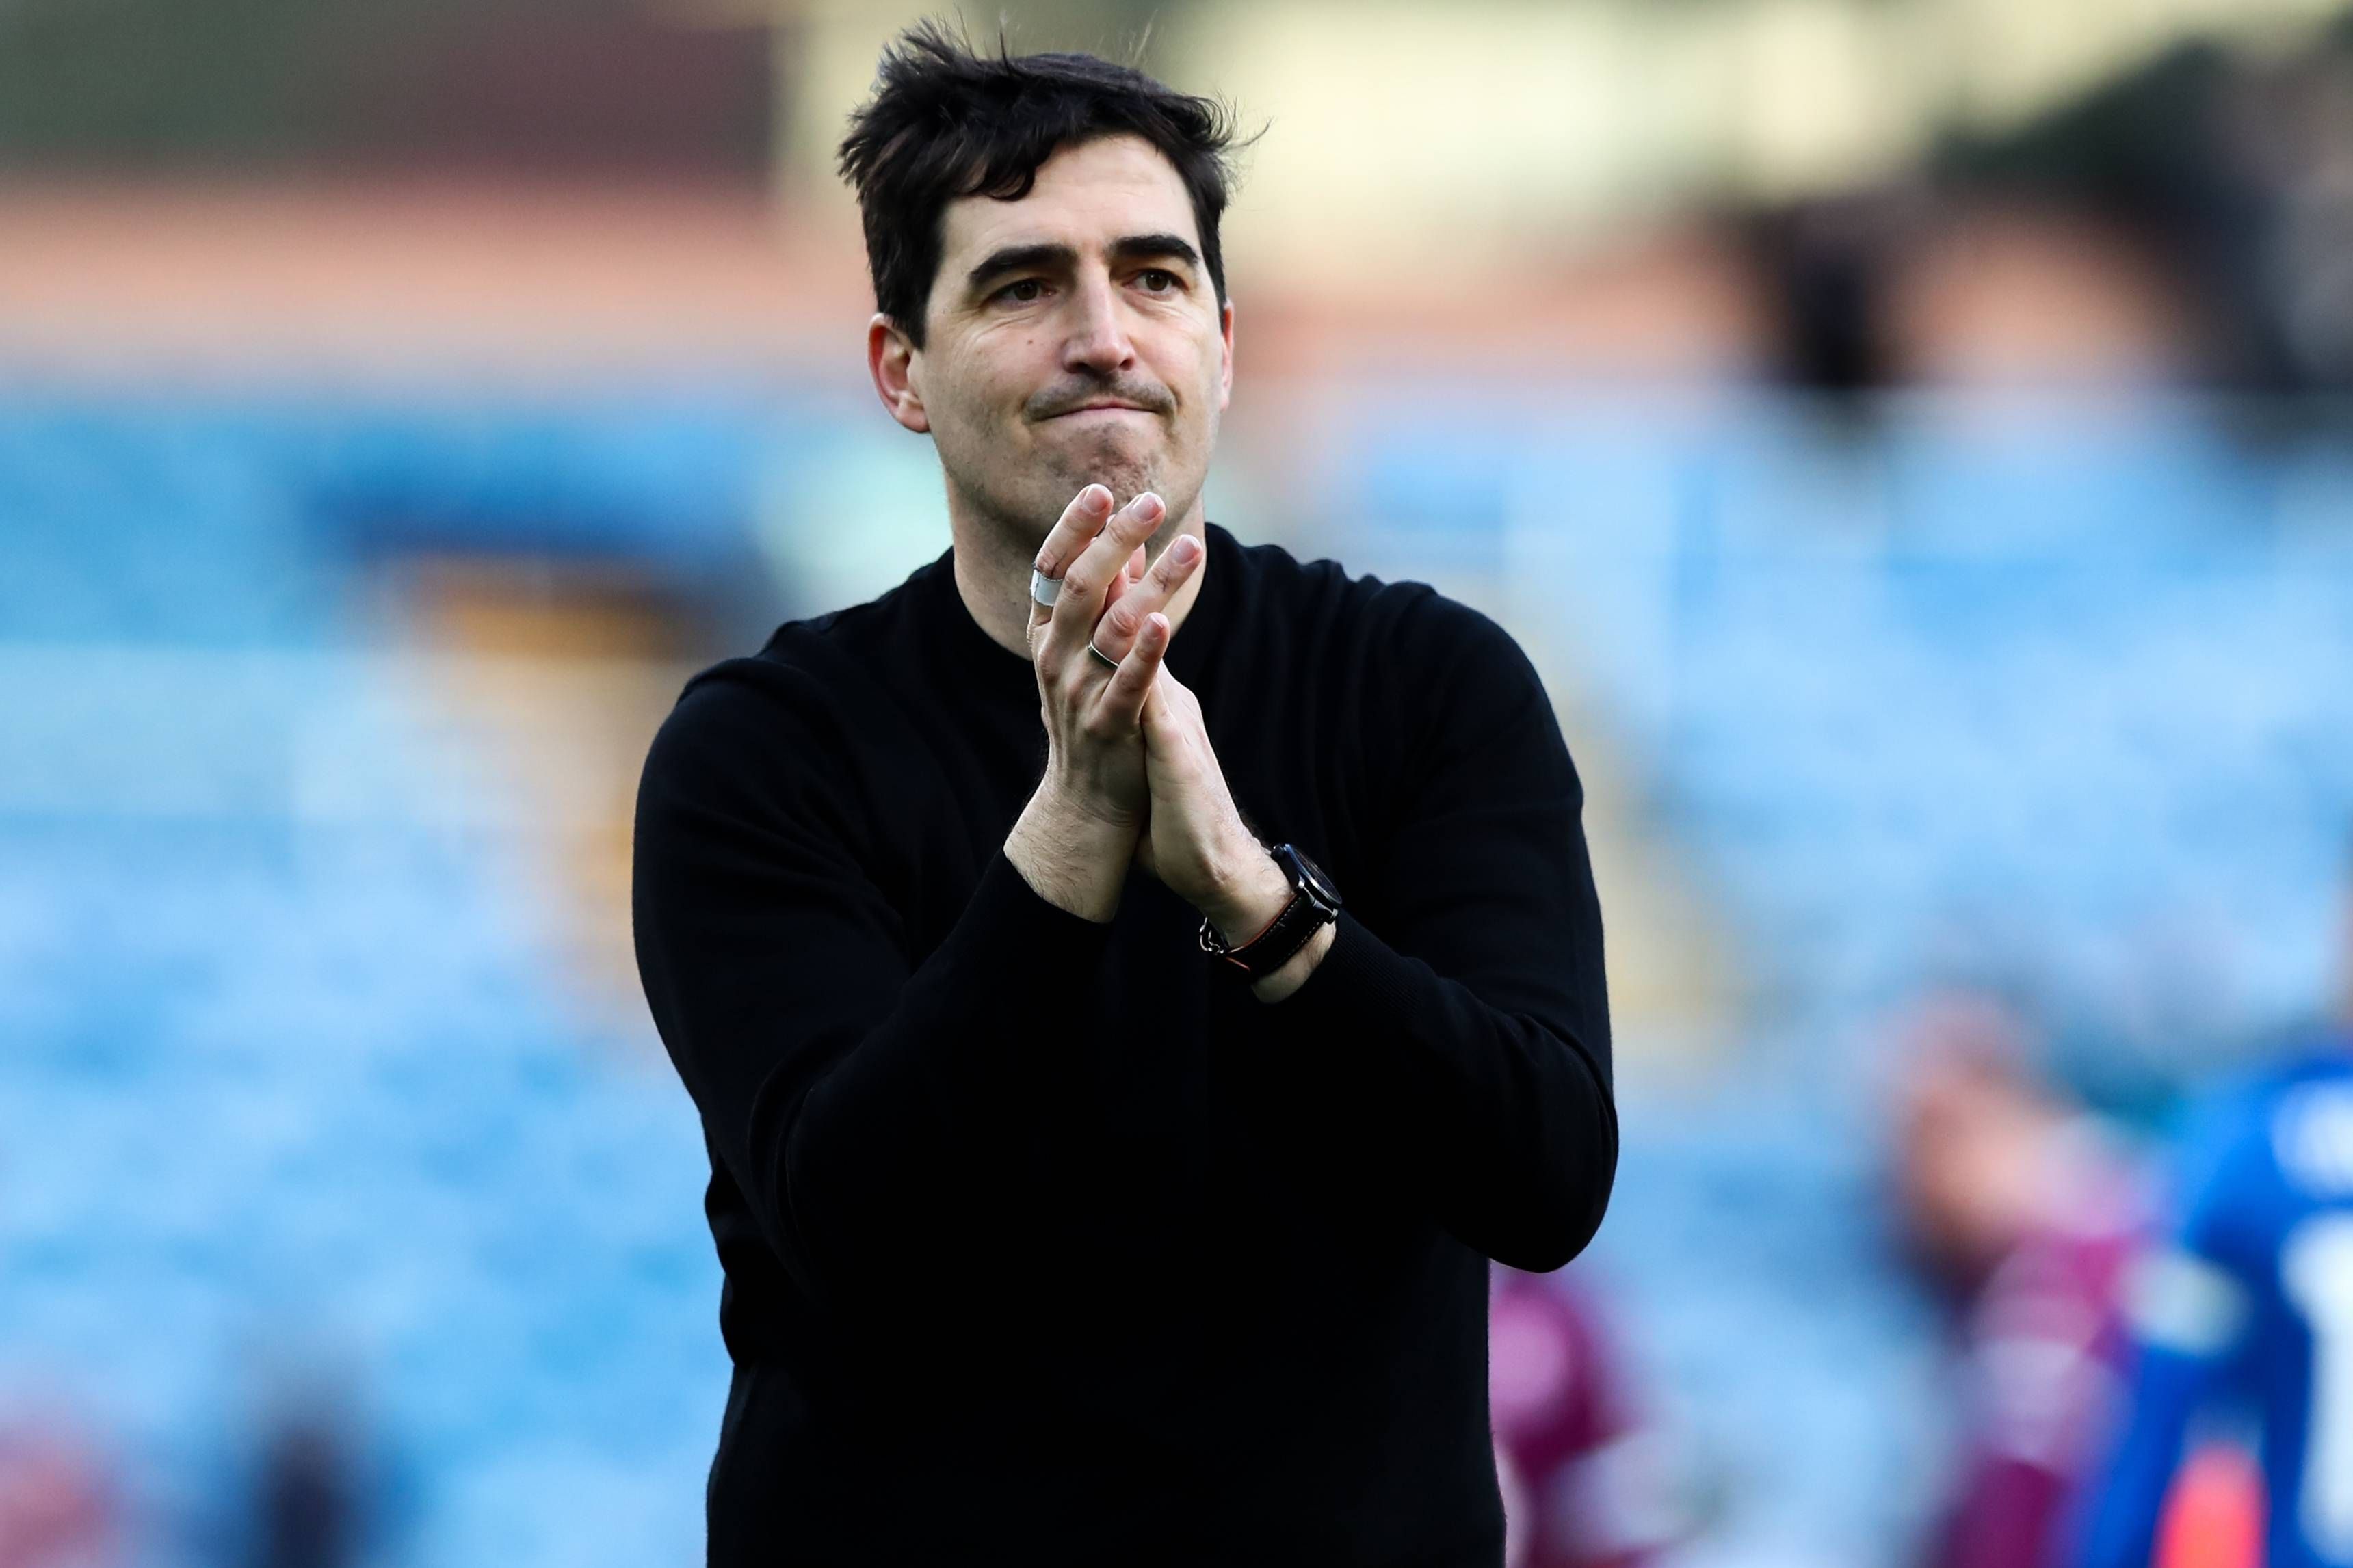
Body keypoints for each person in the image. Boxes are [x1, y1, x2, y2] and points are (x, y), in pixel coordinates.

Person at [629, 23, 1617, 1566]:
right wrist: (1070, 839)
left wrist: (1261, 906)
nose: (1103, 336)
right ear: (901, 369)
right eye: (1023, 286)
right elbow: (856, 1233)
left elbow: (1545, 1175)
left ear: (1221, 340)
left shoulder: (1431, 686)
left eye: (1152, 277)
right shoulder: (764, 751)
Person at [1887, 991, 2147, 1568]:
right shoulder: (2116, 1206)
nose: (1909, 1183)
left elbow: (2027, 1497)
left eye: (1926, 1139)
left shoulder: (2066, 1259)